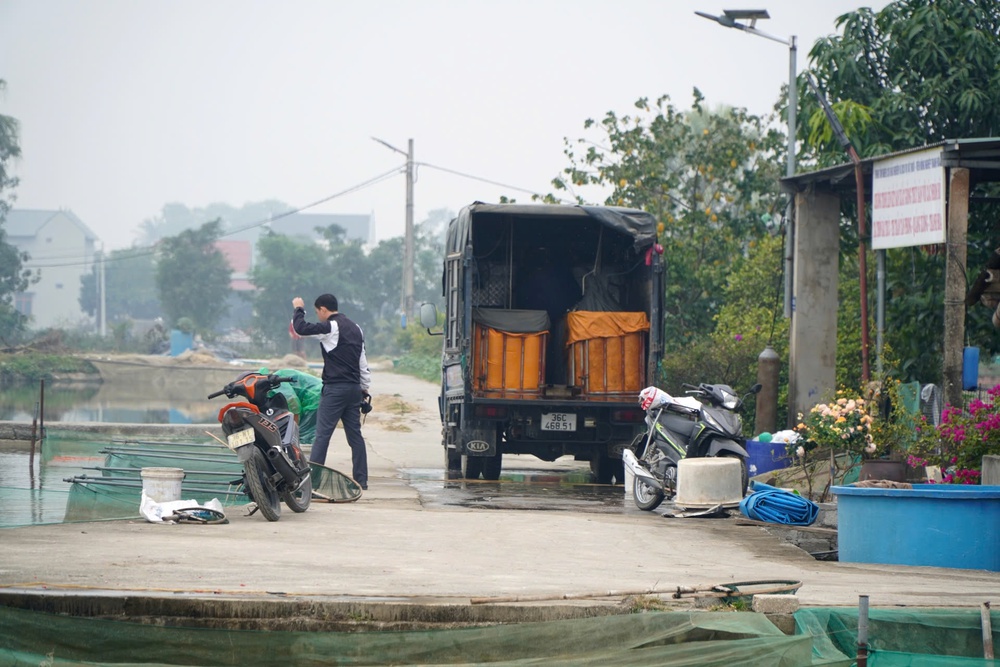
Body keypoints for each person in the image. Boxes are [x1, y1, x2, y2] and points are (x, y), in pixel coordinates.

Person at [292, 293, 371, 490]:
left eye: (318, 312)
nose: (319, 316)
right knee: (355, 437)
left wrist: (298, 309)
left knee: (322, 435)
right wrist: (364, 388)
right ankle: (361, 481)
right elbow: (363, 362)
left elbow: (301, 328)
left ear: (323, 310)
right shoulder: (356, 328)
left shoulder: (331, 326)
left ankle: (314, 483)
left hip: (335, 390)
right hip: (354, 390)